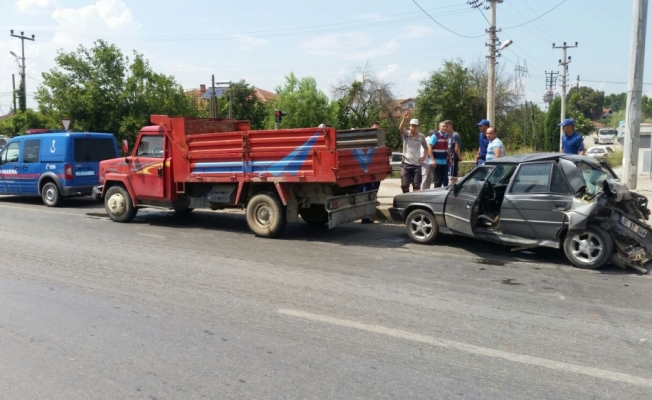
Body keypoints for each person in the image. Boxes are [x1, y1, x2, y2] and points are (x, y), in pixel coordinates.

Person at [398, 110, 434, 192]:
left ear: (418, 127)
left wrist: (424, 157)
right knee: (404, 185)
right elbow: (400, 129)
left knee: (417, 186)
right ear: (409, 126)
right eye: (412, 126)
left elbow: (426, 148)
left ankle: (414, 201)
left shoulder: (421, 136)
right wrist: (404, 119)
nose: (414, 128)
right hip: (406, 164)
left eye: (415, 126)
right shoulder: (406, 134)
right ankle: (406, 198)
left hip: (417, 165)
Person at [360, 121, 382, 224]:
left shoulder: (380, 141)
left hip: (376, 171)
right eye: (374, 129)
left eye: (377, 129)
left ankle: (368, 215)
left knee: (373, 192)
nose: (375, 131)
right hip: (366, 171)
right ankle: (364, 216)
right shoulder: (366, 140)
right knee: (366, 192)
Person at [428, 121, 451, 188]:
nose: (445, 128)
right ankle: (436, 196)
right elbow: (429, 147)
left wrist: (450, 159)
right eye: (443, 126)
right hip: (436, 162)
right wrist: (432, 160)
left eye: (446, 126)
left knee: (445, 180)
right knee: (438, 180)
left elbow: (447, 149)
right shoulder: (435, 136)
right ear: (439, 127)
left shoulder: (447, 136)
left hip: (444, 162)